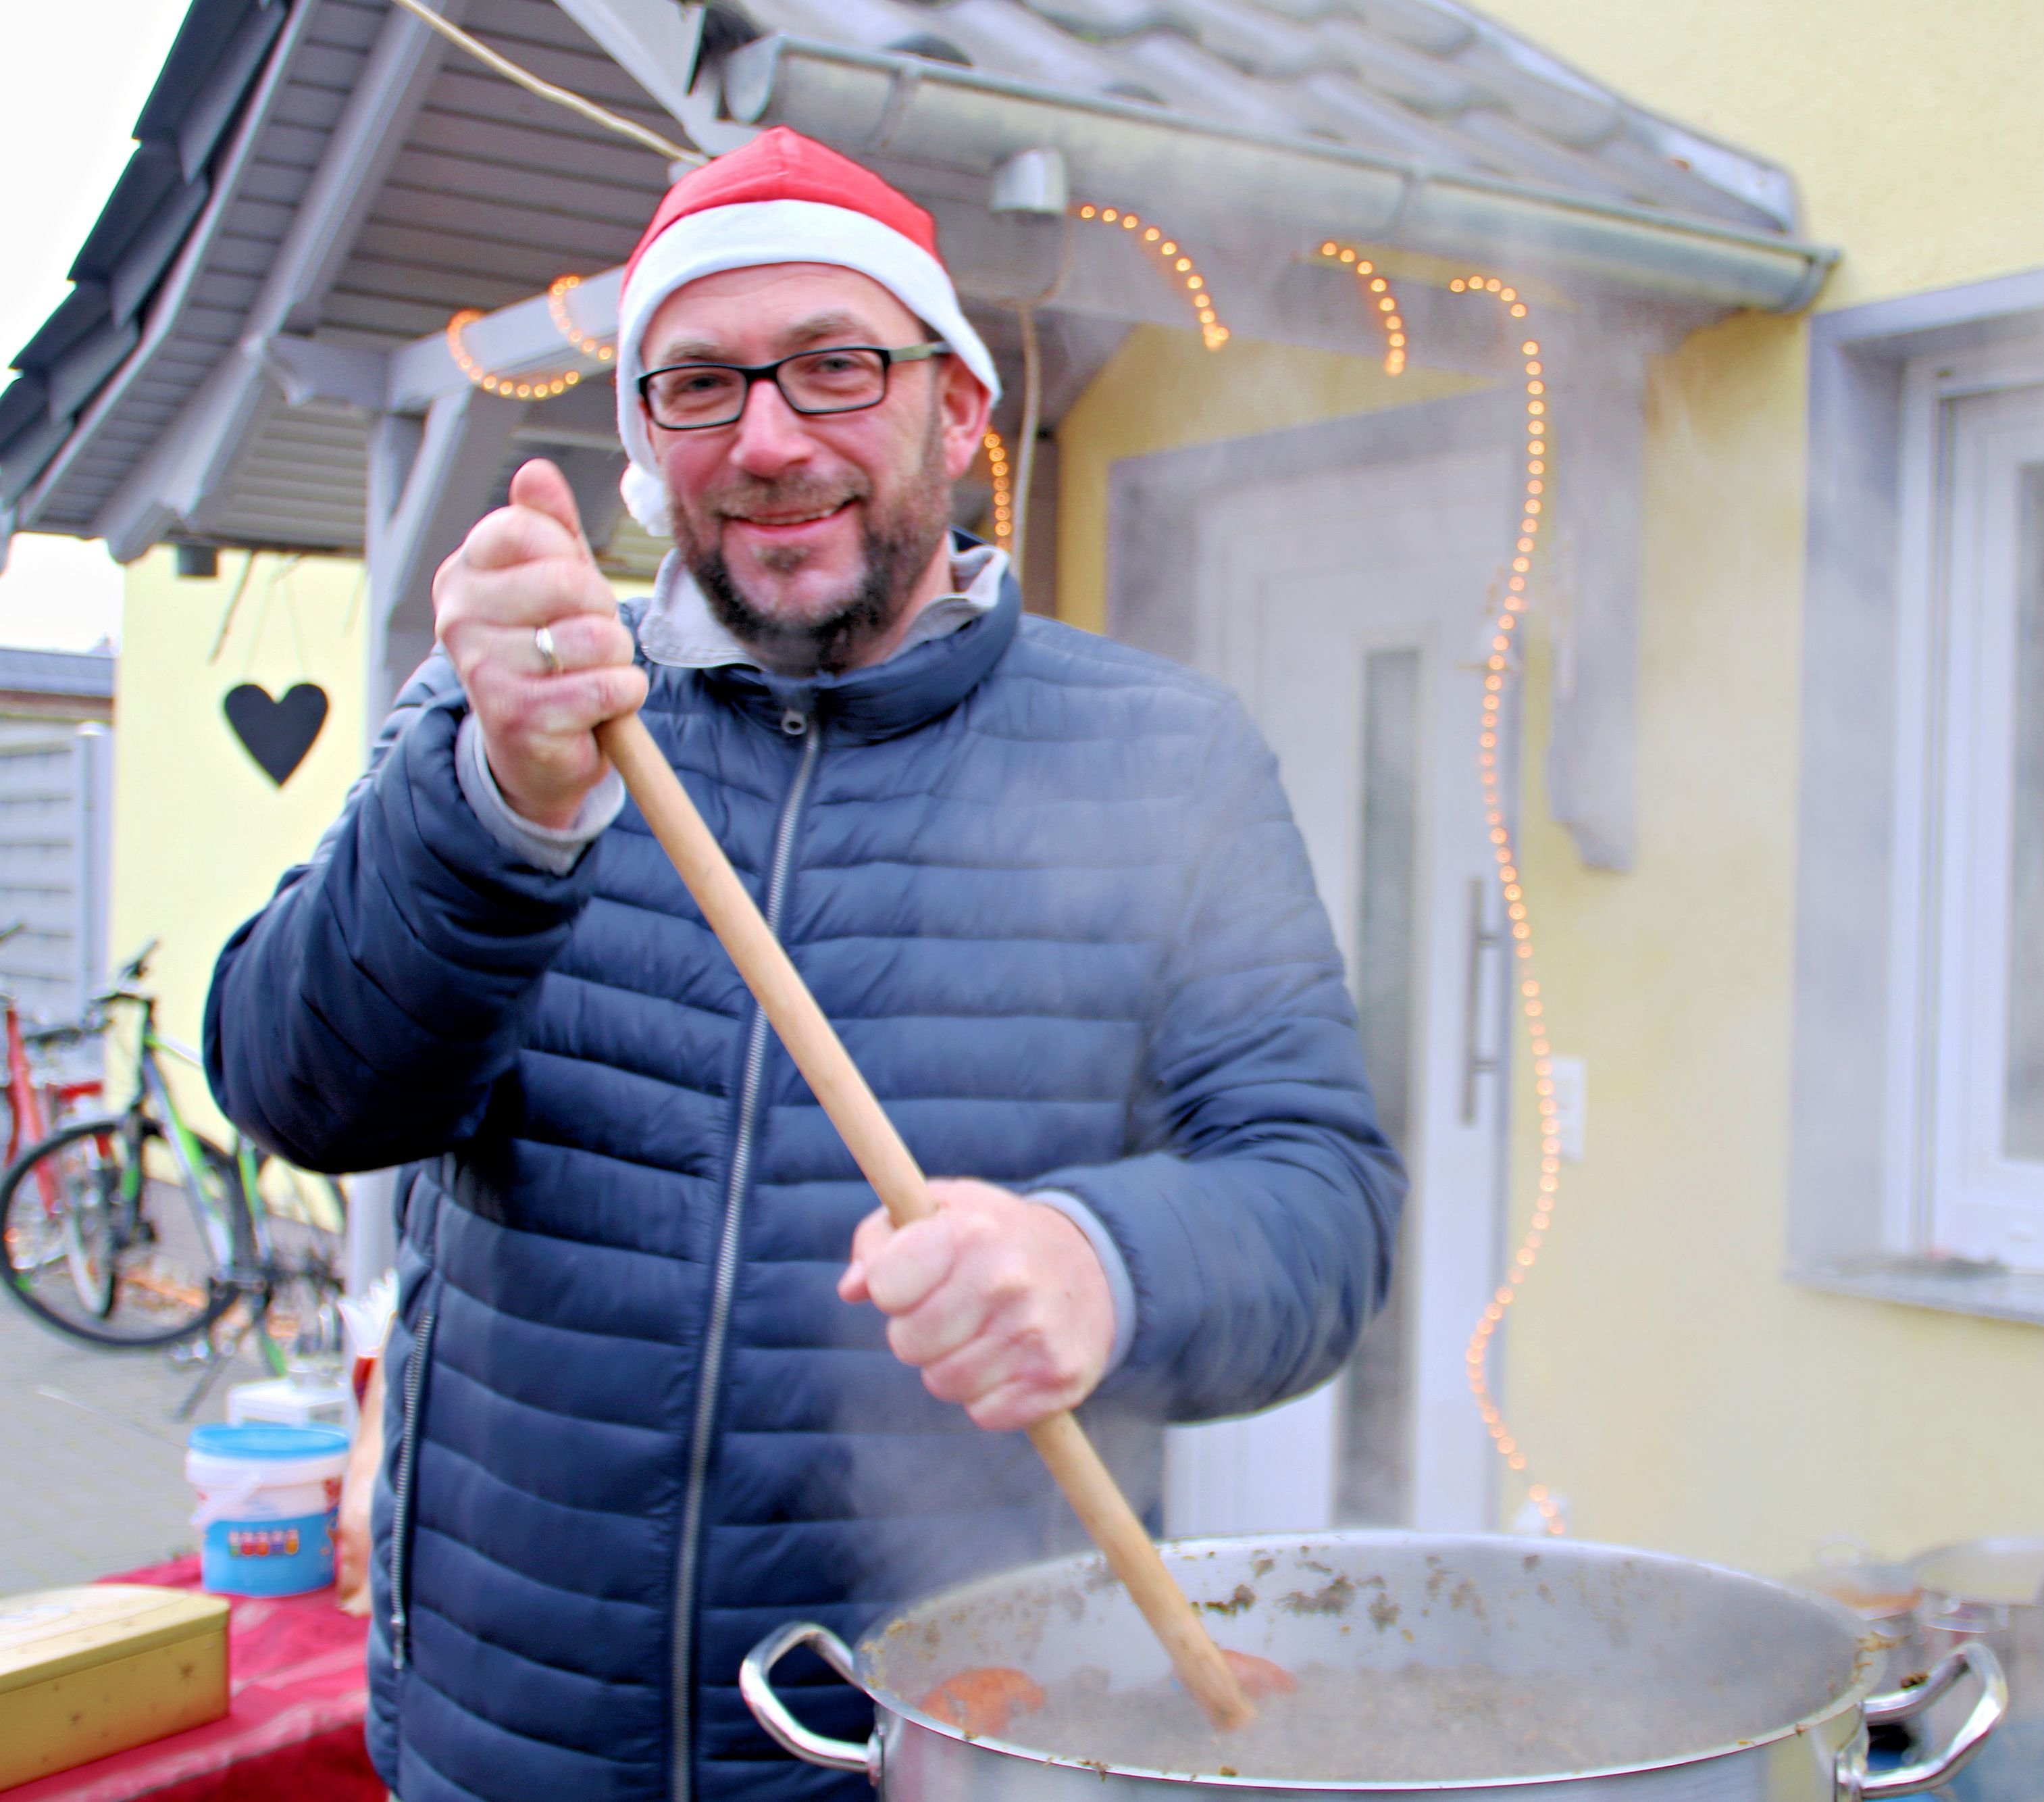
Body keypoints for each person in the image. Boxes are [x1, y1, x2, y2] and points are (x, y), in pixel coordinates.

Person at [206, 128, 1404, 1802]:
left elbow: (1323, 1202)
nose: (768, 439)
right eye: (698, 385)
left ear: (958, 409)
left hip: (935, 1748)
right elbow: (300, 1090)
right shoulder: (512, 723)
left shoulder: (1167, 756)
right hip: (511, 1744)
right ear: (642, 443)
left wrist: (1100, 1261)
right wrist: (495, 810)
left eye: (836, 366)